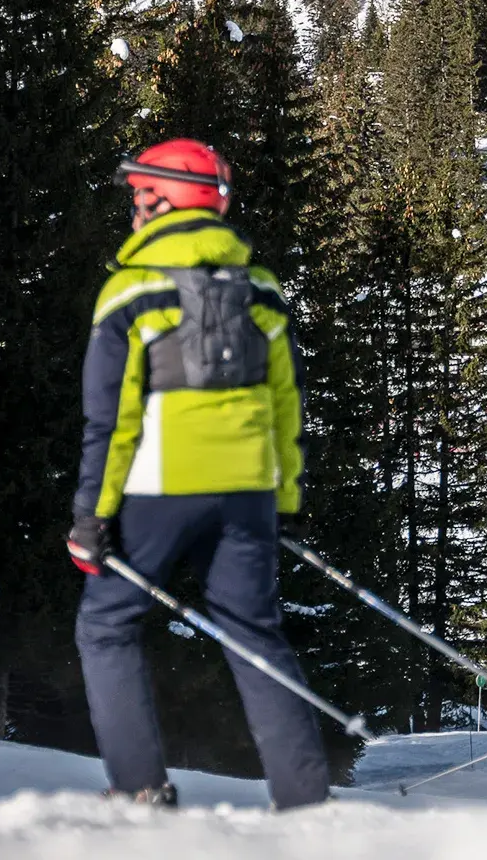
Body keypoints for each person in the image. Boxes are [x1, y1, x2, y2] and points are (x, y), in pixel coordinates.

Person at [67, 140, 329, 811]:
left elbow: (110, 419)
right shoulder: (262, 288)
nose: (133, 210)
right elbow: (286, 403)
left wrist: (91, 517)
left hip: (159, 488)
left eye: (140, 197)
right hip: (248, 489)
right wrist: (285, 496)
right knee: (254, 633)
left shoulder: (131, 291)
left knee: (107, 625)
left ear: (166, 199)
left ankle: (138, 789)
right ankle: (304, 802)